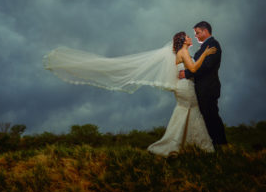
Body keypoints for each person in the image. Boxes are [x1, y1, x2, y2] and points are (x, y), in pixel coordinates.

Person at [43, 30, 217, 156]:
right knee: (190, 112)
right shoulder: (183, 52)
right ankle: (184, 145)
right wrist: (206, 54)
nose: (190, 38)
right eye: (187, 36)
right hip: (185, 87)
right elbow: (193, 67)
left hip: (185, 86)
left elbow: (187, 68)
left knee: (189, 112)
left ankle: (193, 145)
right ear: (182, 40)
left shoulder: (180, 52)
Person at [179, 21, 228, 148]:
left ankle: (220, 144)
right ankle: (215, 144)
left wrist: (188, 73)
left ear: (205, 31)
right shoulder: (205, 46)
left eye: (197, 33)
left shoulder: (213, 45)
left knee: (211, 116)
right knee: (208, 116)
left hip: (208, 87)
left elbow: (207, 66)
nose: (195, 36)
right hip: (203, 88)